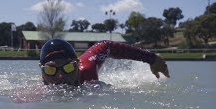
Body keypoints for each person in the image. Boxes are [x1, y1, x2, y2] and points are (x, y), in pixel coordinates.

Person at [39, 39, 170, 86]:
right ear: (42, 72)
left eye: (68, 67)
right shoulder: (38, 93)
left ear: (77, 65)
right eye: (51, 70)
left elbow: (106, 45)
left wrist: (151, 59)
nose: (60, 76)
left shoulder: (88, 67)